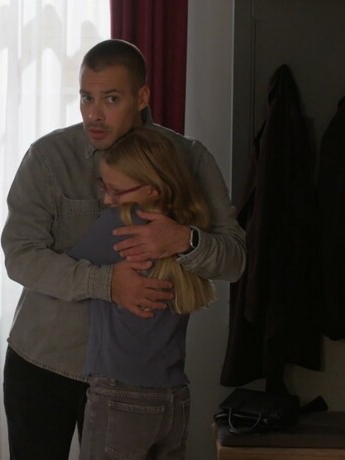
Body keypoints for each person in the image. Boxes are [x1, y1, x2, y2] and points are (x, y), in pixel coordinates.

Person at [1, 39, 245, 459]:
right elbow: (20, 255)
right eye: (86, 98)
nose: (94, 114)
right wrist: (106, 283)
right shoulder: (48, 158)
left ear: (142, 97)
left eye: (111, 99)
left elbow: (235, 260)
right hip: (45, 364)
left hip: (138, 386)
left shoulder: (189, 159)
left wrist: (183, 239)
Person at [69, 126, 214, 459]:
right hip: (174, 398)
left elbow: (65, 271)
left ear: (151, 190)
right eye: (104, 187)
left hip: (121, 395)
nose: (108, 199)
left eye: (116, 191)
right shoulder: (186, 230)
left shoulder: (119, 225)